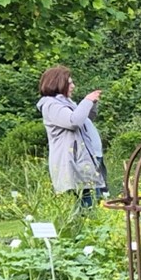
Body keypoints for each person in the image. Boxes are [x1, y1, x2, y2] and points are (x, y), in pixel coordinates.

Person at [37, 66, 107, 206]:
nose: (73, 86)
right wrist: (86, 100)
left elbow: (86, 119)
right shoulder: (51, 105)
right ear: (58, 83)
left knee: (95, 205)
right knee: (85, 208)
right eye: (70, 83)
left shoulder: (68, 103)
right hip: (73, 164)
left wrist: (91, 104)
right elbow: (73, 121)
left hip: (87, 162)